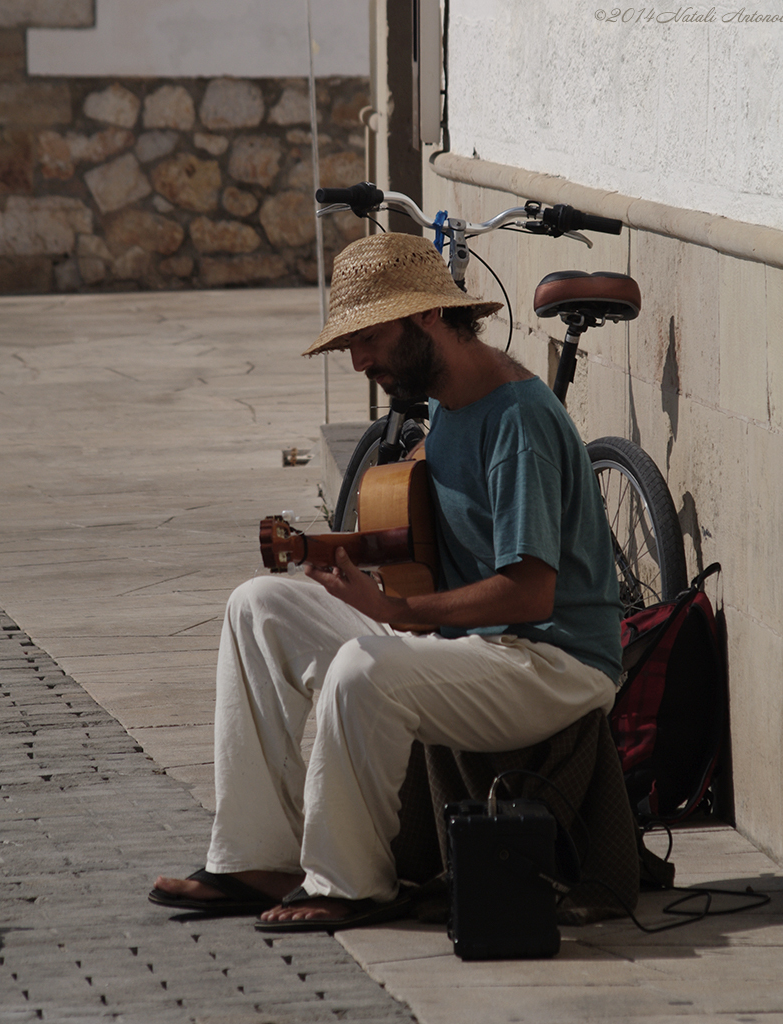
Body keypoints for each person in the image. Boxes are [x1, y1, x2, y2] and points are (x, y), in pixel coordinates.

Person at [150, 232, 623, 931]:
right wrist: (338, 557)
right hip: (474, 643)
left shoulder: (516, 421)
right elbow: (425, 534)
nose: (357, 360)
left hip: (551, 661)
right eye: (349, 346)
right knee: (260, 606)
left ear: (428, 316)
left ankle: (353, 883)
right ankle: (252, 857)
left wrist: (396, 610)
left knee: (363, 667)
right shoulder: (450, 407)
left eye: (367, 338)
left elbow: (529, 594)